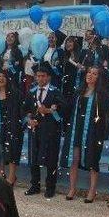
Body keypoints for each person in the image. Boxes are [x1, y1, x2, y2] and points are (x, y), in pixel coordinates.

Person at [62, 66, 109, 203]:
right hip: (76, 129)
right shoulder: (79, 91)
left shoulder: (102, 94)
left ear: (98, 78)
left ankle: (92, 191)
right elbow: (70, 110)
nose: (90, 75)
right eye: (89, 72)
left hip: (93, 132)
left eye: (94, 73)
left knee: (92, 160)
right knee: (74, 158)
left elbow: (106, 113)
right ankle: (72, 188)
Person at [23, 62, 66, 198]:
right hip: (35, 129)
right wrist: (29, 120)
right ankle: (35, 185)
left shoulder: (55, 92)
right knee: (33, 157)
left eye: (43, 76)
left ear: (48, 77)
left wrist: (47, 111)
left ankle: (50, 187)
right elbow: (25, 111)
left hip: (50, 130)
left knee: (51, 158)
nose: (40, 79)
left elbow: (62, 114)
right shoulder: (31, 92)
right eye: (38, 76)